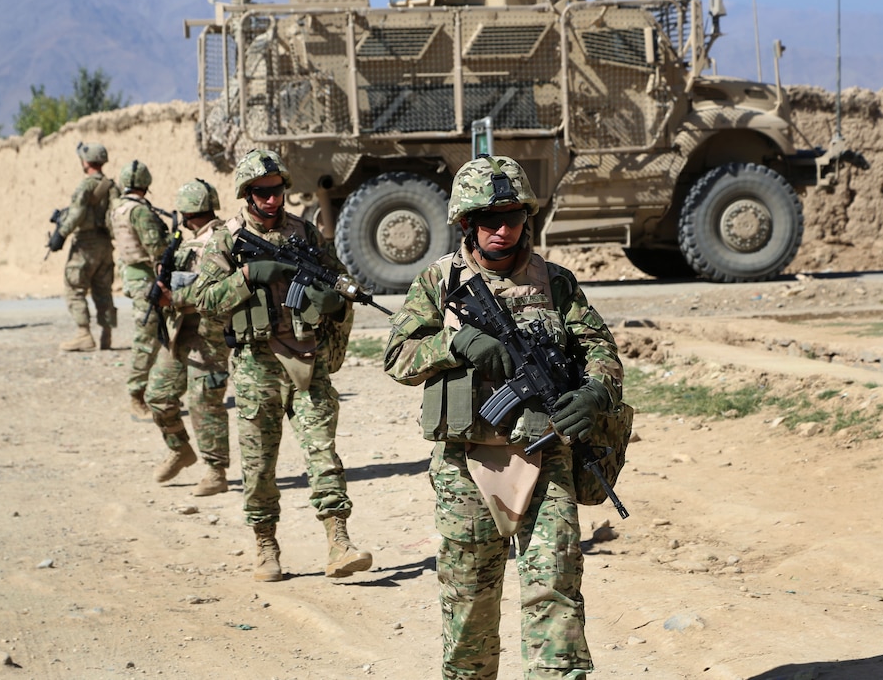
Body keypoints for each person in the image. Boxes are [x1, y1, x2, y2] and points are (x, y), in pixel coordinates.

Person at [383, 155, 625, 679]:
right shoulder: (439, 283)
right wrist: (454, 341)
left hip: (546, 457)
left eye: (512, 217)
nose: (501, 229)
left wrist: (595, 394)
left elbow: (602, 350)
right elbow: (397, 357)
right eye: (488, 220)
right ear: (466, 222)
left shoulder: (556, 283)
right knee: (469, 603)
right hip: (467, 466)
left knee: (555, 595)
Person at [189, 149, 371, 582]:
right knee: (258, 467)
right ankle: (265, 545)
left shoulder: (305, 233)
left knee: (323, 454)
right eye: (263, 193)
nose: (272, 200)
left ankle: (338, 540)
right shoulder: (228, 240)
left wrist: (333, 300)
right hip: (256, 365)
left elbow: (339, 279)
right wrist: (249, 277)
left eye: (277, 191)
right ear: (246, 194)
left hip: (307, 357)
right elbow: (204, 300)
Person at [144, 179, 231, 494]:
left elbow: (215, 290)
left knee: (204, 401)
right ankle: (180, 449)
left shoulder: (221, 239)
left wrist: (174, 298)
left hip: (210, 332)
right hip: (179, 330)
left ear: (188, 211)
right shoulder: (182, 240)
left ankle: (215, 471)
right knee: (157, 395)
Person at [110, 159, 169, 421]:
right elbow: (155, 248)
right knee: (147, 336)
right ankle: (136, 394)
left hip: (132, 275)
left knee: (158, 334)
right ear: (146, 184)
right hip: (145, 278)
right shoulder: (140, 212)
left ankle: (159, 391)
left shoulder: (118, 208)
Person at [49, 142, 119, 352]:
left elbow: (77, 213)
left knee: (74, 288)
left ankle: (83, 334)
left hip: (86, 245)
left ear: (86, 162)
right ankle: (107, 335)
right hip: (106, 245)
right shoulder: (112, 186)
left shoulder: (86, 185)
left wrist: (60, 235)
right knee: (103, 290)